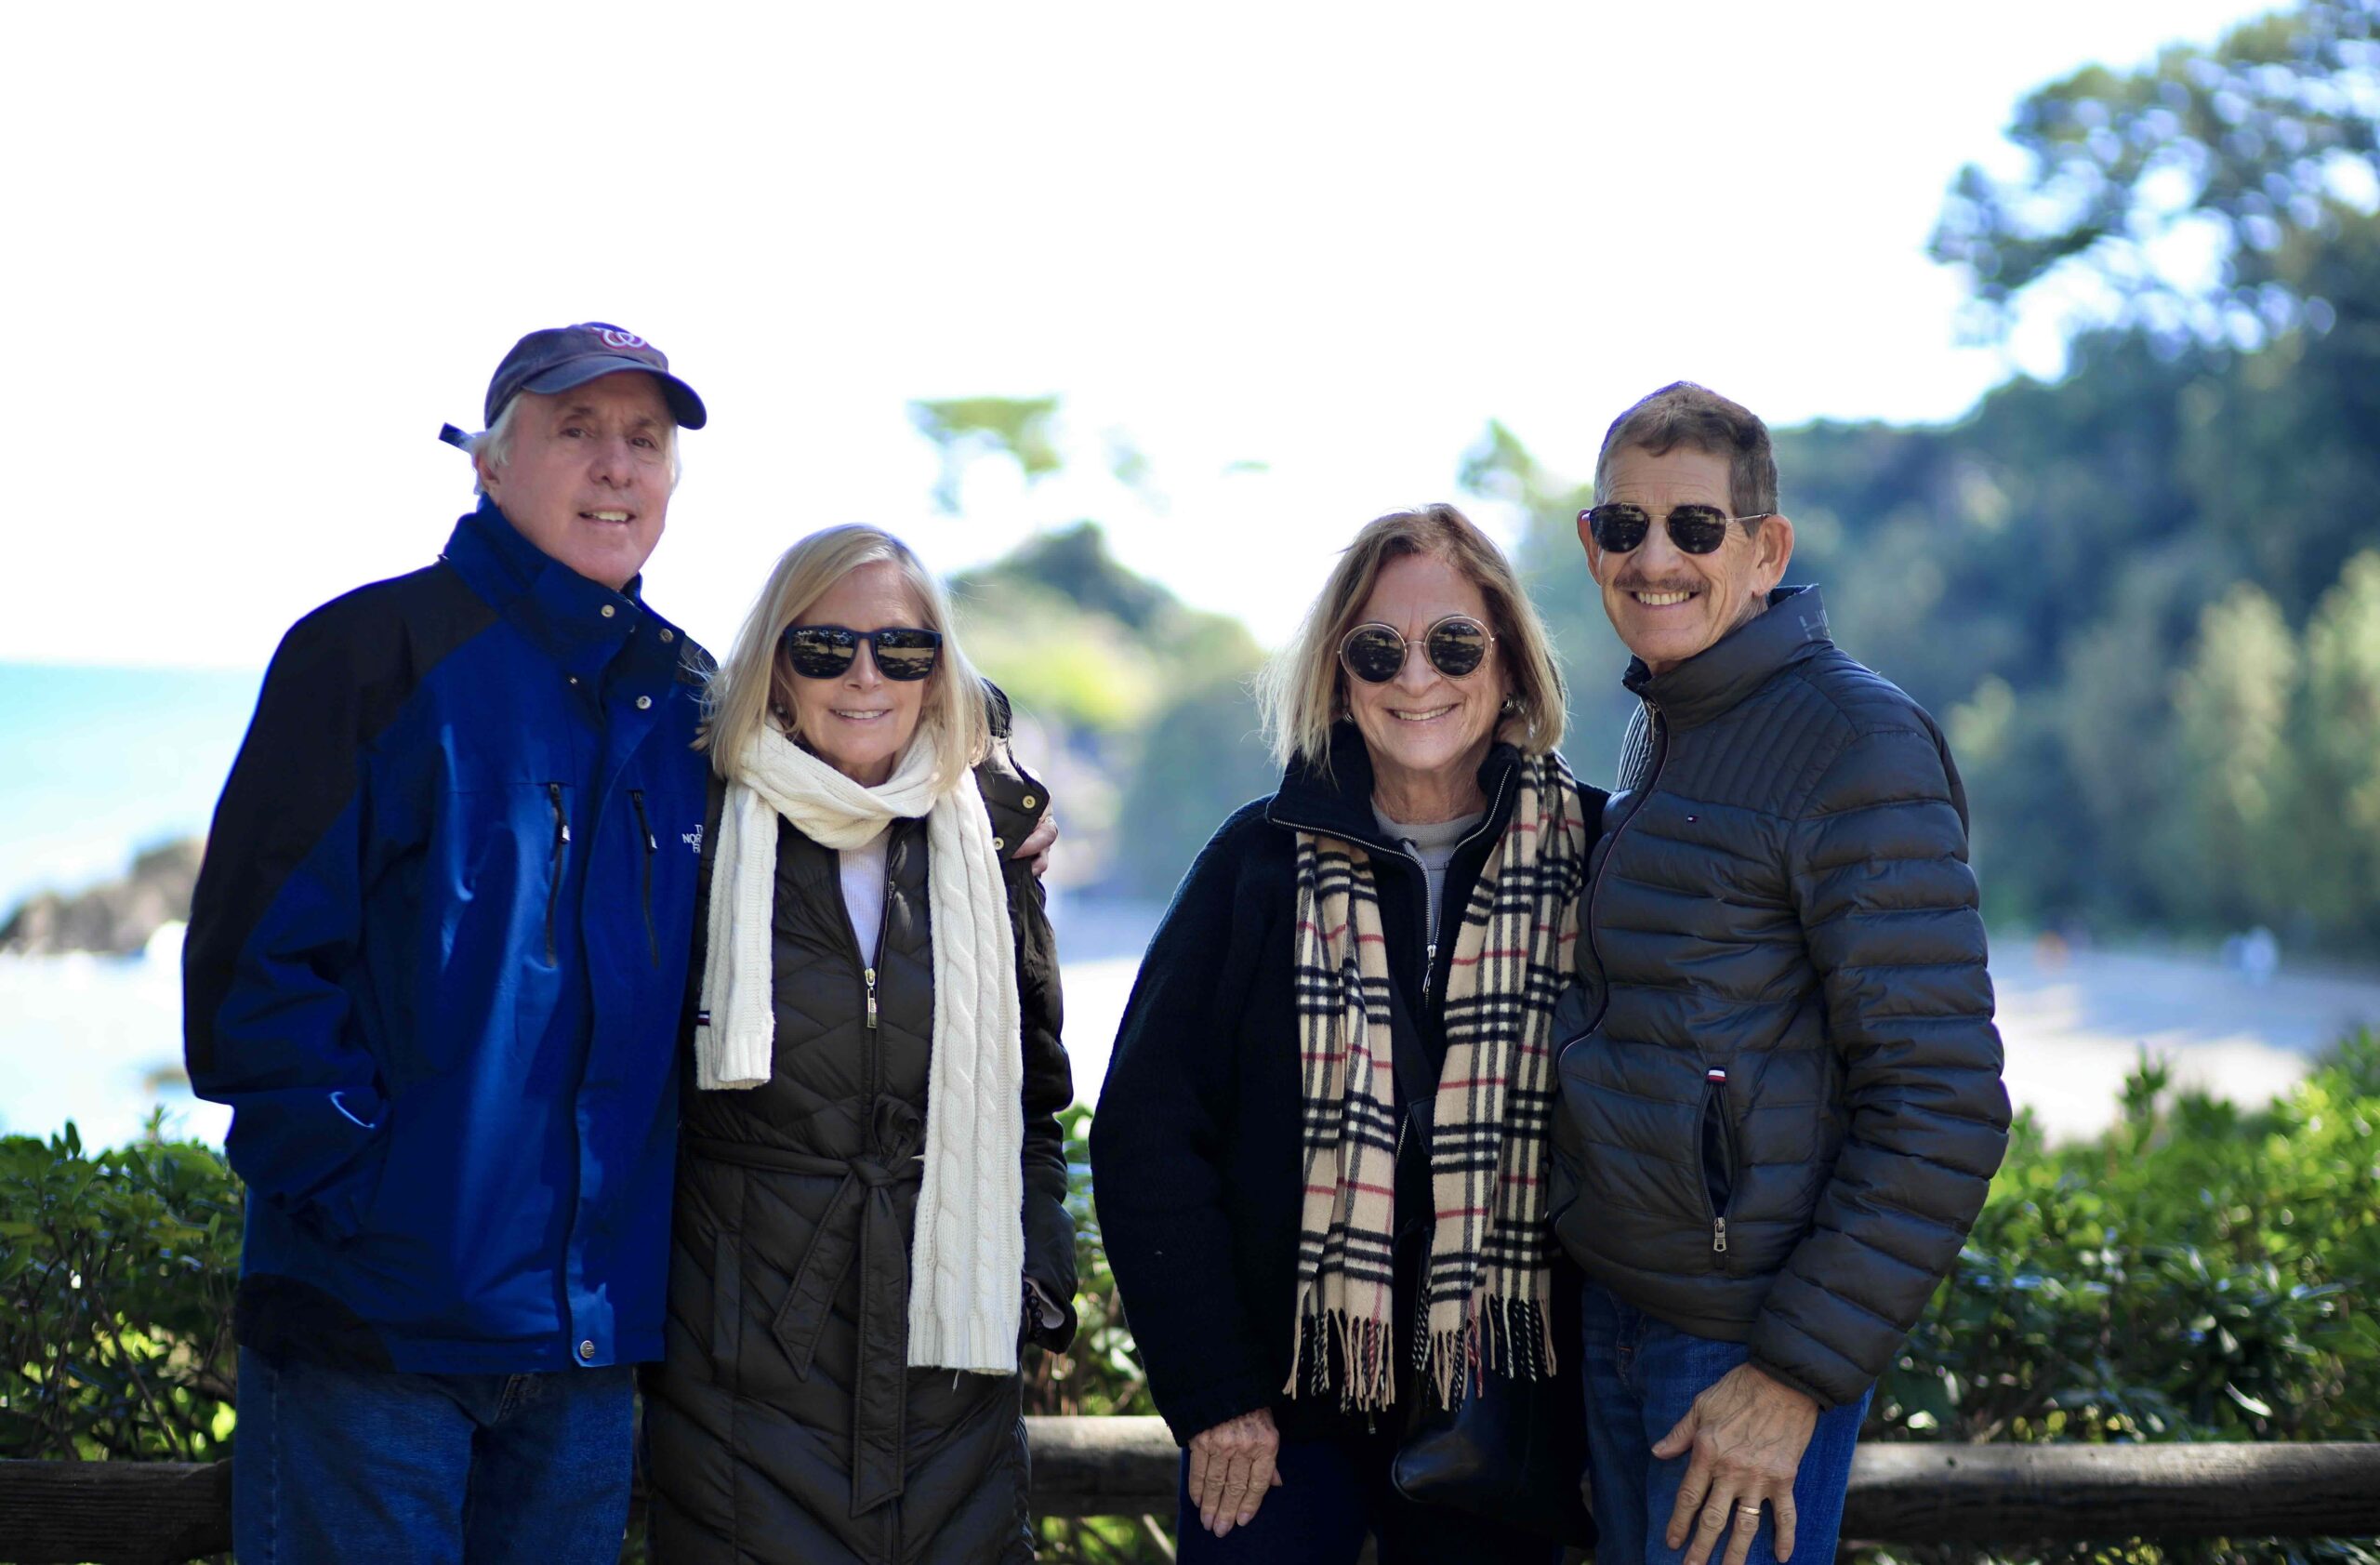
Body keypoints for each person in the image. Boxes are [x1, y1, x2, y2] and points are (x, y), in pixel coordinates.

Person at [183, 323, 714, 1561]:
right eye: (575, 430)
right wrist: (369, 1201)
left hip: (587, 1349)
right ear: (488, 461)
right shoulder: (365, 654)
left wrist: (1001, 813)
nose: (616, 467)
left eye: (645, 440)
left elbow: (863, 782)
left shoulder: (695, 700)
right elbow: (249, 974)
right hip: (376, 1334)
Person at [1550, 381, 2011, 1565]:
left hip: (1742, 1359)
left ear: (1766, 552)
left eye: (1695, 527)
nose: (1656, 557)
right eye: (1624, 525)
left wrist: (1793, 1375)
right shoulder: (1673, 723)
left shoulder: (1852, 740)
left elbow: (1942, 1099)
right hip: (1619, 1322)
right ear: (1592, 543)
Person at [1092, 505, 1597, 1564]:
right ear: (1339, 674)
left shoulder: (1599, 851)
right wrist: (1216, 1397)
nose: (1417, 677)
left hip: (1507, 1410)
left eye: (1453, 642)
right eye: (1379, 649)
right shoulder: (1254, 863)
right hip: (1278, 1426)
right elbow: (1144, 1136)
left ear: (1506, 661)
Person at [642, 525, 1076, 1565]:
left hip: (949, 1363)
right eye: (825, 648)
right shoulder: (698, 823)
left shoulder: (986, 845)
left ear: (940, 670)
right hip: (743, 1365)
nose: (866, 676)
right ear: (776, 669)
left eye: (903, 649)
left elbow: (1033, 1101)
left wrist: (1037, 1281)